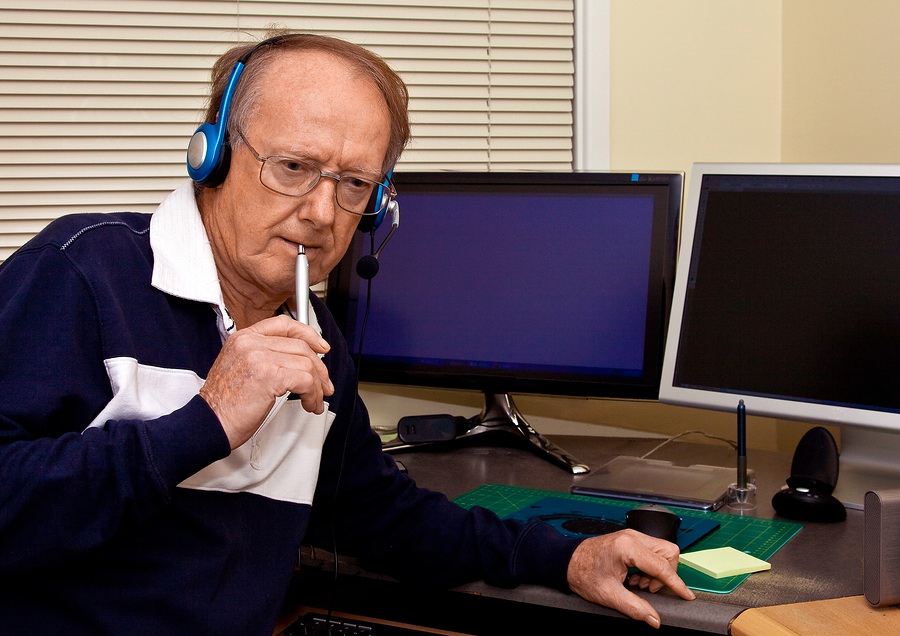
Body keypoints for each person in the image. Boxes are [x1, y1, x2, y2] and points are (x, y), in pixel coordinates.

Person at [0, 31, 693, 634]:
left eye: (355, 184)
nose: (323, 213)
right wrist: (207, 420)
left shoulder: (314, 333)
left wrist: (565, 556)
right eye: (294, 167)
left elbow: (381, 516)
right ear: (212, 155)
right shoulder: (80, 274)